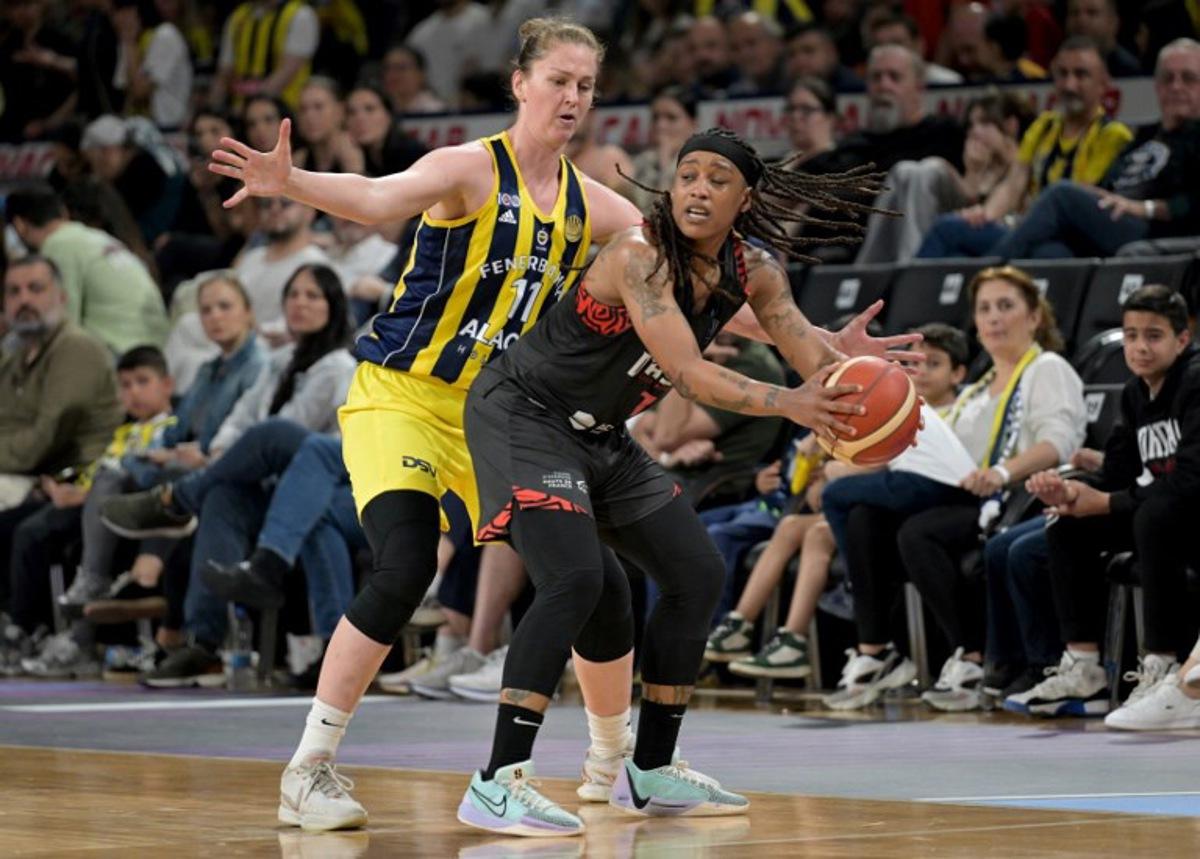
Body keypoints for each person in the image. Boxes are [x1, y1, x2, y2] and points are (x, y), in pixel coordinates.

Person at [201, 18, 660, 832]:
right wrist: (292, 180)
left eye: (586, 86)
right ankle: (308, 768)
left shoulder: (595, 205)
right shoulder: (466, 169)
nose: (572, 97)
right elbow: (378, 198)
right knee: (407, 561)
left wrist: (807, 337)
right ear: (520, 83)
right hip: (403, 395)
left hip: (496, 415)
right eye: (558, 80)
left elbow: (678, 279)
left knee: (598, 577)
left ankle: (612, 764)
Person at [456, 127, 898, 836]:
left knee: (696, 570)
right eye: (688, 174)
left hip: (600, 434)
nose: (697, 189)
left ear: (745, 198)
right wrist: (789, 402)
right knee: (575, 577)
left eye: (717, 180)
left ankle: (650, 770)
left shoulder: (756, 269)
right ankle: (497, 781)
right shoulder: (640, 255)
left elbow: (807, 354)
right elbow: (690, 374)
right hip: (525, 414)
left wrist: (859, 382)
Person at [822, 266, 1085, 712]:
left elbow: (1057, 443)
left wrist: (1001, 472)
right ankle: (879, 649)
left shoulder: (1047, 368)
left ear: (1034, 317)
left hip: (1015, 499)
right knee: (866, 520)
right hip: (966, 493)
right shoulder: (980, 385)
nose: (994, 317)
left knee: (896, 523)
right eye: (984, 308)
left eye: (1006, 306)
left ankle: (969, 655)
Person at [1016, 286, 1200, 722]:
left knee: (1154, 514)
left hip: (1190, 513)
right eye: (1131, 335)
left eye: (1153, 336)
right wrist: (1072, 492)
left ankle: (1163, 663)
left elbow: (1191, 480)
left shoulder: (1195, 382)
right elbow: (1117, 473)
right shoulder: (1134, 393)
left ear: (1182, 340)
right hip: (1161, 513)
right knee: (1065, 522)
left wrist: (1107, 501)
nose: (1139, 347)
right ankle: (1084, 669)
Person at [916, 36, 1131, 259]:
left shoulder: (1113, 134)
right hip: (1026, 230)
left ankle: (987, 269)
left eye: (1081, 74)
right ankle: (910, 282)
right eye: (1062, 74)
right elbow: (1013, 184)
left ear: (1104, 83)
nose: (1069, 85)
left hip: (1073, 239)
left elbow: (1082, 195)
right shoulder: (1043, 125)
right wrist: (986, 214)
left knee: (1048, 255)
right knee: (949, 231)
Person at [5, 185, 169, 354]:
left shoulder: (58, 246)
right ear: (63, 213)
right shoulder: (90, 237)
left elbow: (61, 324)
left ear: (19, 226)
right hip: (154, 345)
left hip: (122, 352)